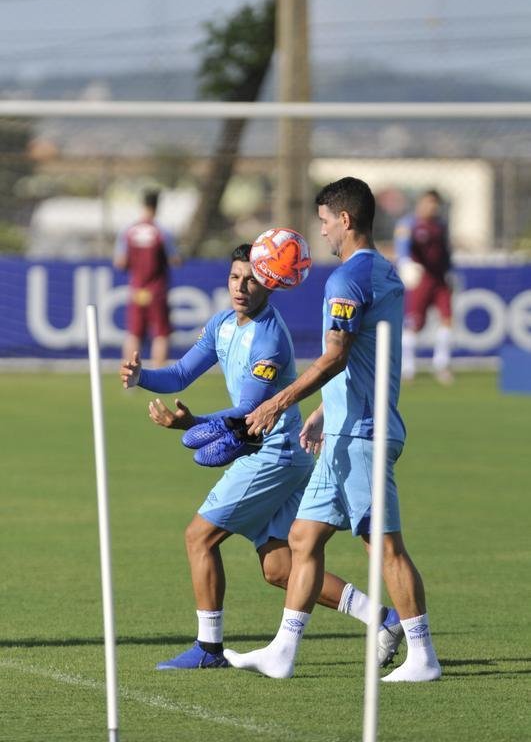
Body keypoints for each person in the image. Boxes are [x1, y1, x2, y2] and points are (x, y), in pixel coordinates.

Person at [119, 243, 404, 670]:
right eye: (235, 277)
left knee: (199, 536)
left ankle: (209, 649)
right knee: (280, 569)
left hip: (274, 453)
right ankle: (382, 617)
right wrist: (142, 376)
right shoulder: (221, 324)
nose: (241, 287)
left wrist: (192, 423)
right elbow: (180, 373)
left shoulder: (268, 338)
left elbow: (247, 411)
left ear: (270, 284)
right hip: (274, 452)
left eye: (252, 279)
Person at [223, 178, 441, 683]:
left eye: (323, 221)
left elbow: (337, 354)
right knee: (303, 536)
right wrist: (324, 411)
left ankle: (423, 655)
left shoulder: (347, 280)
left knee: (383, 546)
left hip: (363, 433)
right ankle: (283, 649)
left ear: (345, 220)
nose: (319, 230)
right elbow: (364, 357)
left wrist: (279, 401)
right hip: (345, 428)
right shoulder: (383, 271)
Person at [114, 189, 181, 368]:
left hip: (136, 289)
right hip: (157, 290)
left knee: (133, 334)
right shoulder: (162, 232)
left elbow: (120, 262)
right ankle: (159, 376)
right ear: (157, 207)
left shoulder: (128, 231)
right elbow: (175, 260)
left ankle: (129, 378)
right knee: (160, 335)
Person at [394, 189, 453, 384]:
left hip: (440, 278)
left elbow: (445, 251)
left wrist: (450, 271)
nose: (432, 207)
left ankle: (441, 365)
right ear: (420, 203)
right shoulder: (409, 224)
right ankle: (408, 367)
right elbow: (402, 246)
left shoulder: (440, 226)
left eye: (435, 203)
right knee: (413, 323)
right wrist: (405, 263)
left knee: (447, 319)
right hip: (421, 279)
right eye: (428, 203)